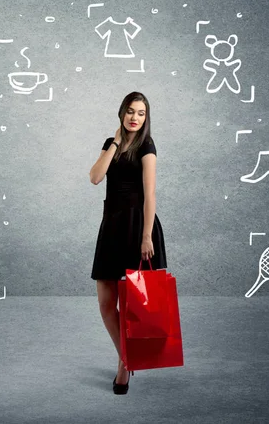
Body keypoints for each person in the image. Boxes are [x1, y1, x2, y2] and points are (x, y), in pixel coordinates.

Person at [88, 91, 167, 395]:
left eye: (142, 113)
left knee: (138, 305)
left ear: (147, 118)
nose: (135, 118)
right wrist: (116, 143)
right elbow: (95, 177)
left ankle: (124, 364)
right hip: (112, 226)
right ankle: (126, 356)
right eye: (131, 111)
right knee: (107, 303)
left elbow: (151, 195)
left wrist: (147, 236)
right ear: (121, 113)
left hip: (138, 227)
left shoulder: (148, 146)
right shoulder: (113, 143)